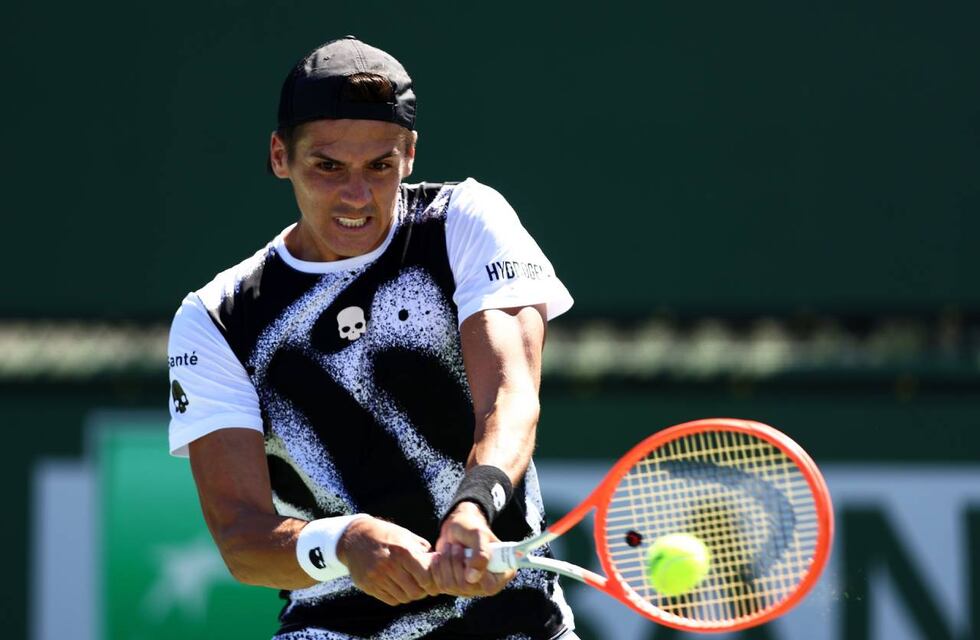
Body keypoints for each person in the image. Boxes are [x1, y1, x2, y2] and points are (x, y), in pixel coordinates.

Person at [167, 36, 577, 639]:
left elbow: (511, 398)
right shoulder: (218, 317)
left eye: (379, 166)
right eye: (327, 166)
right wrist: (343, 542)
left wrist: (475, 503)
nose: (355, 196)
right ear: (280, 156)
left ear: (409, 155)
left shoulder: (464, 222)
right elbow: (241, 538)